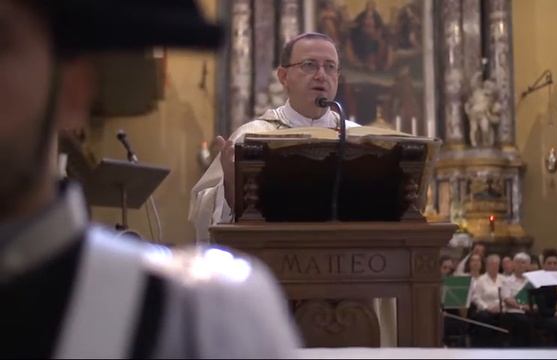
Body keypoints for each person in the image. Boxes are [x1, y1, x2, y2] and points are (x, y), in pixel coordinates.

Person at [0, 0, 299, 357]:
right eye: (310, 64)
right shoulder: (255, 132)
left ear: (72, 90)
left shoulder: (197, 324)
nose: (321, 74)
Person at [189, 32, 359, 242]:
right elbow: (202, 212)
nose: (321, 75)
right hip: (272, 256)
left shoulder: (359, 139)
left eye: (330, 66)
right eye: (309, 65)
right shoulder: (250, 137)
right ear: (283, 77)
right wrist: (230, 188)